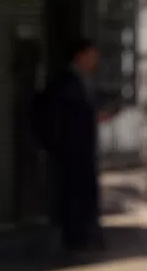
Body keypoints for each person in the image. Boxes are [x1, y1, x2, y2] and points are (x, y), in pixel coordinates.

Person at [40, 38, 103, 253]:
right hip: (72, 150)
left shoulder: (83, 81)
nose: (95, 61)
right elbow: (62, 117)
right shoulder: (66, 82)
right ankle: (75, 238)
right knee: (73, 195)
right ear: (81, 55)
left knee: (83, 194)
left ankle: (83, 236)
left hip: (82, 150)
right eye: (92, 55)